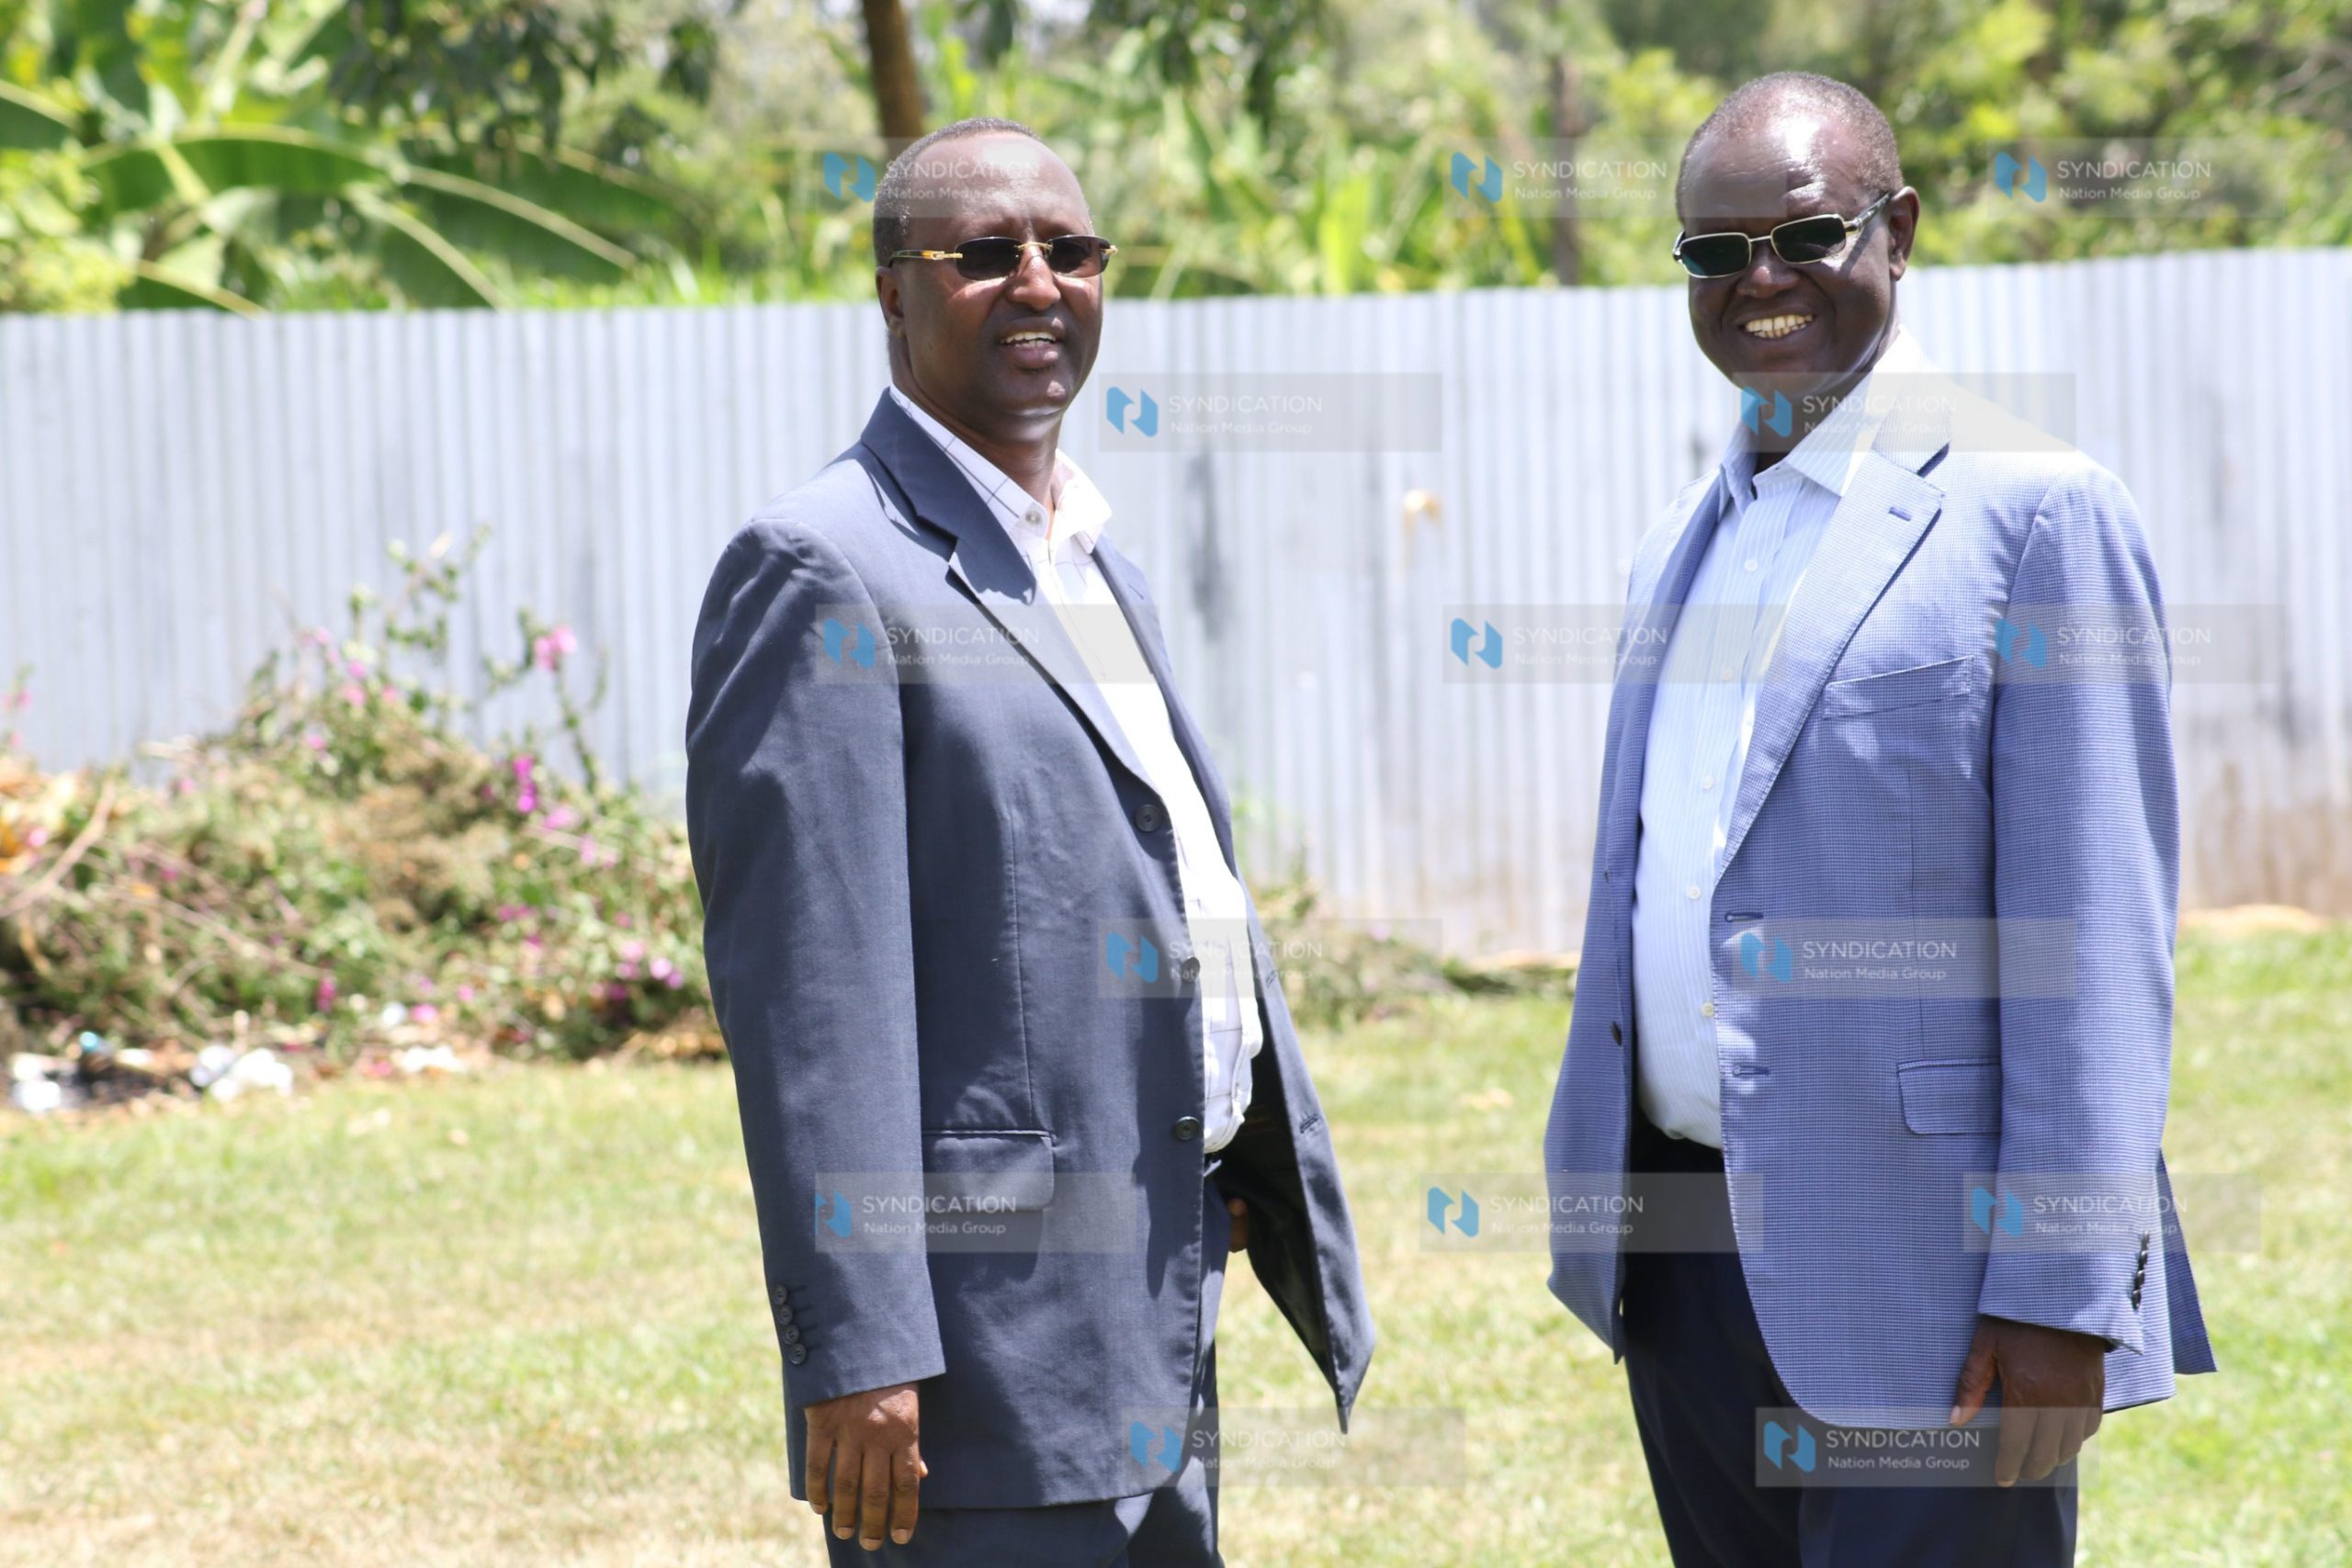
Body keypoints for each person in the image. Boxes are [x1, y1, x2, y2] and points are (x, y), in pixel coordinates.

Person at [1541, 71, 2215, 1567]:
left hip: (1929, 1279)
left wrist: (2057, 1291)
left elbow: (2096, 943)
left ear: (1897, 231)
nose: (1759, 282)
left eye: (1804, 236)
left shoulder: (2033, 513)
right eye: (1715, 255)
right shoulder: (1683, 543)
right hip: (1690, 1256)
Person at [684, 117, 1373, 1565]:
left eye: (1070, 250)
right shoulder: (827, 567)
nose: (1039, 283)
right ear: (893, 291)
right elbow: (814, 1000)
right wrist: (858, 1346)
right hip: (973, 1374)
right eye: (984, 256)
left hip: (1151, 1311)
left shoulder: (1084, 553)